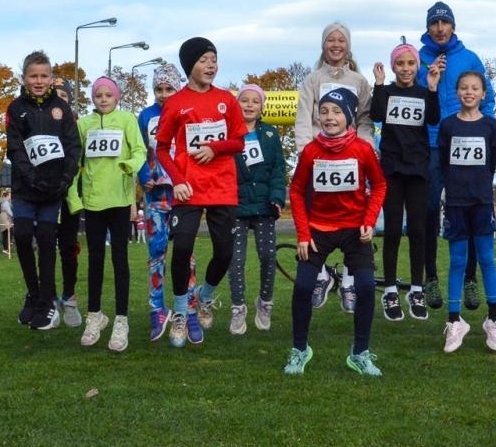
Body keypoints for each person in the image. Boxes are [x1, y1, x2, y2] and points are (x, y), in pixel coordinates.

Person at [285, 88, 388, 376]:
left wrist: (369, 221)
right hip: (318, 229)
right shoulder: (311, 151)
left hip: (355, 230)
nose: (330, 117)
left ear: (349, 117)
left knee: (366, 287)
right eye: (324, 111)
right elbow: (296, 191)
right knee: (303, 287)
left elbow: (380, 185)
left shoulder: (363, 149)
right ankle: (299, 350)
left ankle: (360, 353)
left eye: (337, 111)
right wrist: (303, 234)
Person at [155, 37, 247, 347]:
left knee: (225, 252)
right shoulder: (176, 103)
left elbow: (239, 141)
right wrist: (178, 180)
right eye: (204, 60)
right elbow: (162, 148)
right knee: (182, 248)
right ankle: (181, 311)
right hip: (188, 188)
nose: (211, 66)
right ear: (189, 65)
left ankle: (204, 296)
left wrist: (215, 148)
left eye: (214, 59)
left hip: (222, 186)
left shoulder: (226, 100)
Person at [294, 22, 376, 314]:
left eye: (341, 40)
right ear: (323, 45)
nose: (336, 45)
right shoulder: (312, 79)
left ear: (348, 45)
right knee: (316, 219)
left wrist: (363, 149)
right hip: (318, 158)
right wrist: (307, 153)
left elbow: (365, 119)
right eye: (331, 40)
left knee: (355, 219)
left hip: (351, 158)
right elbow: (304, 117)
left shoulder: (359, 81)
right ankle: (319, 274)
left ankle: (350, 280)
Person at [417, 1, 493, 311]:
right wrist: (428, 77)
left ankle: (470, 279)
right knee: (429, 210)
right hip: (432, 143)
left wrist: (484, 129)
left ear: (453, 26)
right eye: (434, 23)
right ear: (428, 28)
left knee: (470, 208)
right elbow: (414, 96)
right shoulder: (418, 58)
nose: (439, 28)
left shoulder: (469, 58)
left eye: (444, 23)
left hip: (465, 141)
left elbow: (487, 98)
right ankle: (431, 277)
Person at [70, 75, 147, 351]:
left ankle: (121, 320)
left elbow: (140, 150)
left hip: (119, 200)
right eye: (98, 95)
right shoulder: (83, 124)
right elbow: (74, 162)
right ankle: (95, 316)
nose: (103, 99)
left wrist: (130, 165)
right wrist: (74, 198)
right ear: (93, 98)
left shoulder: (127, 120)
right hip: (93, 202)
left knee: (120, 259)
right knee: (95, 260)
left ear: (117, 97)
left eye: (108, 95)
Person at [7, 50, 81, 331]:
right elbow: (15, 147)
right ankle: (34, 294)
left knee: (48, 240)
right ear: (24, 78)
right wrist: (31, 177)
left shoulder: (61, 109)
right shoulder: (15, 108)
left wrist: (65, 179)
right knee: (23, 235)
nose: (38, 81)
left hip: (53, 190)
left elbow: (73, 146)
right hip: (25, 188)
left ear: (51, 78)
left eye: (44, 76)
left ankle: (47, 302)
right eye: (33, 76)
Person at [370, 42, 442, 321]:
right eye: (400, 64)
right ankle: (390, 290)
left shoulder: (423, 93)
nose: (405, 68)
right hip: (392, 170)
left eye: (411, 63)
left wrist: (433, 88)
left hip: (417, 170)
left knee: (417, 230)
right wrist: (378, 85)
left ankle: (416, 289)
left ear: (417, 67)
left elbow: (433, 119)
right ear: (393, 67)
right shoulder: (387, 92)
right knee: (392, 231)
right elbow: (376, 115)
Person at [437, 69, 496, 353]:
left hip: (481, 202)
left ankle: (494, 319)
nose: (469, 92)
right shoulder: (448, 125)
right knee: (457, 261)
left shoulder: (491, 125)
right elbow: (443, 162)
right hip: (456, 202)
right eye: (464, 87)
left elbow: (491, 162)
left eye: (475, 88)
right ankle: (454, 321)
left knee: (487, 258)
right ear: (457, 92)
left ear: (483, 94)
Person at [138, 65, 198, 340]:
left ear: (178, 88)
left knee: (186, 254)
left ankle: (190, 310)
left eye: (168, 89)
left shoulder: (188, 111)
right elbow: (139, 150)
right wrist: (143, 175)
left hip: (183, 195)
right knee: (156, 253)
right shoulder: (146, 116)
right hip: (156, 195)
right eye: (158, 89)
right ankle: (157, 309)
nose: (163, 94)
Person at [229, 83, 287, 335]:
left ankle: (265, 302)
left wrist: (277, 198)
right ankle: (238, 307)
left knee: (268, 256)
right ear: (237, 104)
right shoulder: (228, 133)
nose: (249, 105)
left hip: (264, 206)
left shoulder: (270, 135)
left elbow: (278, 169)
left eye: (255, 101)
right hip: (236, 207)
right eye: (244, 100)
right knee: (236, 260)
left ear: (262, 106)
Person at [52, 81, 85, 327]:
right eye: (56, 95)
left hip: (70, 195)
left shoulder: (78, 124)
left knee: (69, 248)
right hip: (44, 194)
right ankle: (48, 299)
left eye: (64, 95)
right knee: (45, 246)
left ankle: (69, 297)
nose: (60, 99)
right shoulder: (39, 120)